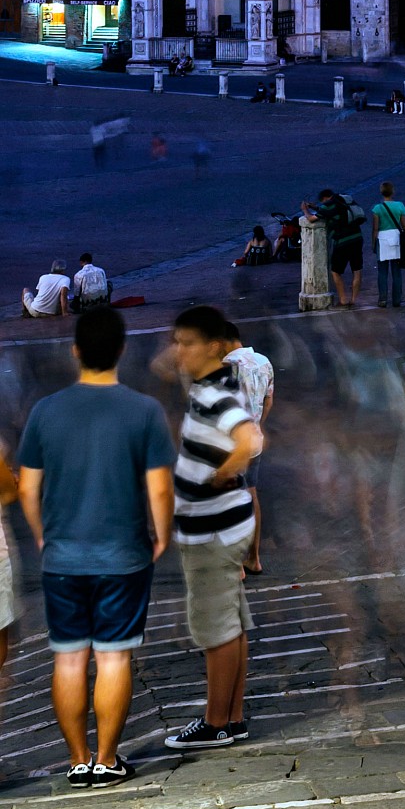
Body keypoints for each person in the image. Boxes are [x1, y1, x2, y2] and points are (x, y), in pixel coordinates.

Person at [17, 306, 174, 785]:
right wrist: (161, 535)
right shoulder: (144, 410)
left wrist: (43, 533)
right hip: (123, 555)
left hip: (63, 556)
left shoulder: (47, 410)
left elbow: (27, 487)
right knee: (113, 656)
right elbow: (161, 488)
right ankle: (107, 759)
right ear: (122, 351)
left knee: (68, 657)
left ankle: (76, 759)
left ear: (76, 351)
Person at [163, 305, 261, 750]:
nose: (177, 350)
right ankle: (232, 717)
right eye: (176, 341)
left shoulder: (215, 395)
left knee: (217, 631)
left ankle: (215, 721)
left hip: (212, 531)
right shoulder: (215, 381)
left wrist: (225, 471)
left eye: (186, 343)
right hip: (228, 524)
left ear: (215, 346)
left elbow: (250, 438)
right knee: (233, 624)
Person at [223, 327, 273, 574]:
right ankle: (253, 559)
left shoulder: (227, 364)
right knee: (251, 494)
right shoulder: (264, 362)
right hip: (254, 441)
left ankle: (237, 565)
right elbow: (268, 401)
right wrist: (258, 425)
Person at [316, 188, 363, 309]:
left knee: (335, 272)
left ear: (326, 198)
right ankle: (353, 300)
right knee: (357, 270)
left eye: (323, 202)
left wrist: (305, 210)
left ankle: (343, 300)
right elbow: (331, 212)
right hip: (357, 237)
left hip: (342, 241)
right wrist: (315, 207)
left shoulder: (329, 205)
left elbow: (313, 218)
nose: (323, 204)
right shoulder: (344, 199)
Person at [370, 182, 405, 309]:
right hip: (396, 238)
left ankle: (382, 299)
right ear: (393, 192)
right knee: (396, 272)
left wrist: (373, 243)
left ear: (381, 192)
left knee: (382, 272)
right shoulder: (400, 206)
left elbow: (375, 228)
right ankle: (397, 299)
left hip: (382, 239)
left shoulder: (377, 208)